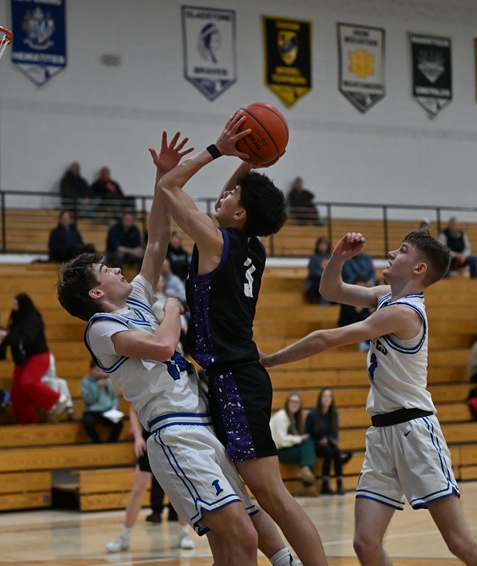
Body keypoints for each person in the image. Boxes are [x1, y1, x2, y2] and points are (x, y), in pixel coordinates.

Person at [57, 131, 300, 566]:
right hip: (174, 431)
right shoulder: (101, 328)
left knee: (245, 532)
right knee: (242, 535)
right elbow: (162, 346)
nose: (116, 269)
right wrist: (171, 305)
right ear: (95, 293)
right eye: (106, 269)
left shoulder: (135, 299)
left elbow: (157, 238)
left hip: (203, 419)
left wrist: (163, 175)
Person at [260, 230, 477, 566]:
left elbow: (327, 338)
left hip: (415, 432)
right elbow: (331, 290)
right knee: (365, 543)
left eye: (402, 250)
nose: (391, 253)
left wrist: (269, 360)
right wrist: (338, 258)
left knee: (459, 542)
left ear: (419, 269)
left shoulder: (405, 313)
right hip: (382, 434)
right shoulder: (385, 297)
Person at [157, 117, 326, 564]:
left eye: (232, 195)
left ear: (240, 214)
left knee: (273, 496)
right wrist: (248, 162)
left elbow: (169, 188)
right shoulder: (252, 246)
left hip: (233, 379)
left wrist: (218, 149)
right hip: (236, 376)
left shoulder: (217, 241)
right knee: (256, 496)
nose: (224, 193)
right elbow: (231, 206)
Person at [105, 406, 195, 552]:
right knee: (138, 488)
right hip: (149, 438)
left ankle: (184, 533)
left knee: (179, 487)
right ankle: (125, 535)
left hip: (172, 436)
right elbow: (133, 409)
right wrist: (138, 437)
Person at [0, 293, 65, 425]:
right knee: (17, 394)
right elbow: (11, 338)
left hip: (38, 355)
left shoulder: (32, 318)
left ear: (23, 305)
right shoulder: (15, 319)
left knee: (28, 383)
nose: (14, 307)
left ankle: (56, 400)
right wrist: (2, 343)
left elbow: (27, 339)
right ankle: (27, 425)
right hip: (22, 360)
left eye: (16, 304)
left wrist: (6, 337)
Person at [305, 387, 352, 496]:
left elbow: (336, 434)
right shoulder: (312, 414)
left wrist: (334, 441)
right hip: (315, 446)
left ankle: (339, 485)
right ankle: (324, 486)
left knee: (335, 450)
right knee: (328, 451)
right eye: (324, 396)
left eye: (329, 396)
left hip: (329, 445)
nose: (327, 398)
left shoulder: (334, 414)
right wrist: (319, 441)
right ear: (320, 399)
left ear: (332, 400)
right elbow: (307, 436)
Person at [269, 392, 318, 493]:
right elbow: (280, 441)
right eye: (292, 401)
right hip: (278, 452)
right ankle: (307, 484)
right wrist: (299, 439)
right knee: (308, 447)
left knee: (308, 449)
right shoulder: (282, 416)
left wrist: (300, 439)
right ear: (287, 403)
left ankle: (305, 471)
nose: (294, 404)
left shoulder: (292, 417)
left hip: (286, 449)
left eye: (297, 402)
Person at [81, 360, 124, 444]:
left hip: (107, 411)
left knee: (119, 424)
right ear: (91, 369)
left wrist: (114, 407)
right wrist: (97, 387)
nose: (100, 373)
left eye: (102, 370)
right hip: (92, 411)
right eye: (97, 370)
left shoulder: (107, 380)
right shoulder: (86, 381)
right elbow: (88, 400)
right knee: (87, 422)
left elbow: (114, 396)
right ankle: (97, 442)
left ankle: (111, 443)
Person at [41, 354, 74, 422]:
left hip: (50, 378)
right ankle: (51, 413)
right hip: (40, 379)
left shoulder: (50, 356)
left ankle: (70, 410)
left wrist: (53, 376)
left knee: (63, 382)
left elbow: (52, 371)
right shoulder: (37, 355)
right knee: (53, 382)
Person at [305, 236, 331, 303]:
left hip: (329, 283)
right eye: (321, 244)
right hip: (315, 284)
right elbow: (313, 272)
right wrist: (323, 273)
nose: (323, 246)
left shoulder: (331, 258)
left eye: (324, 244)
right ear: (317, 245)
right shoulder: (314, 258)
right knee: (324, 286)